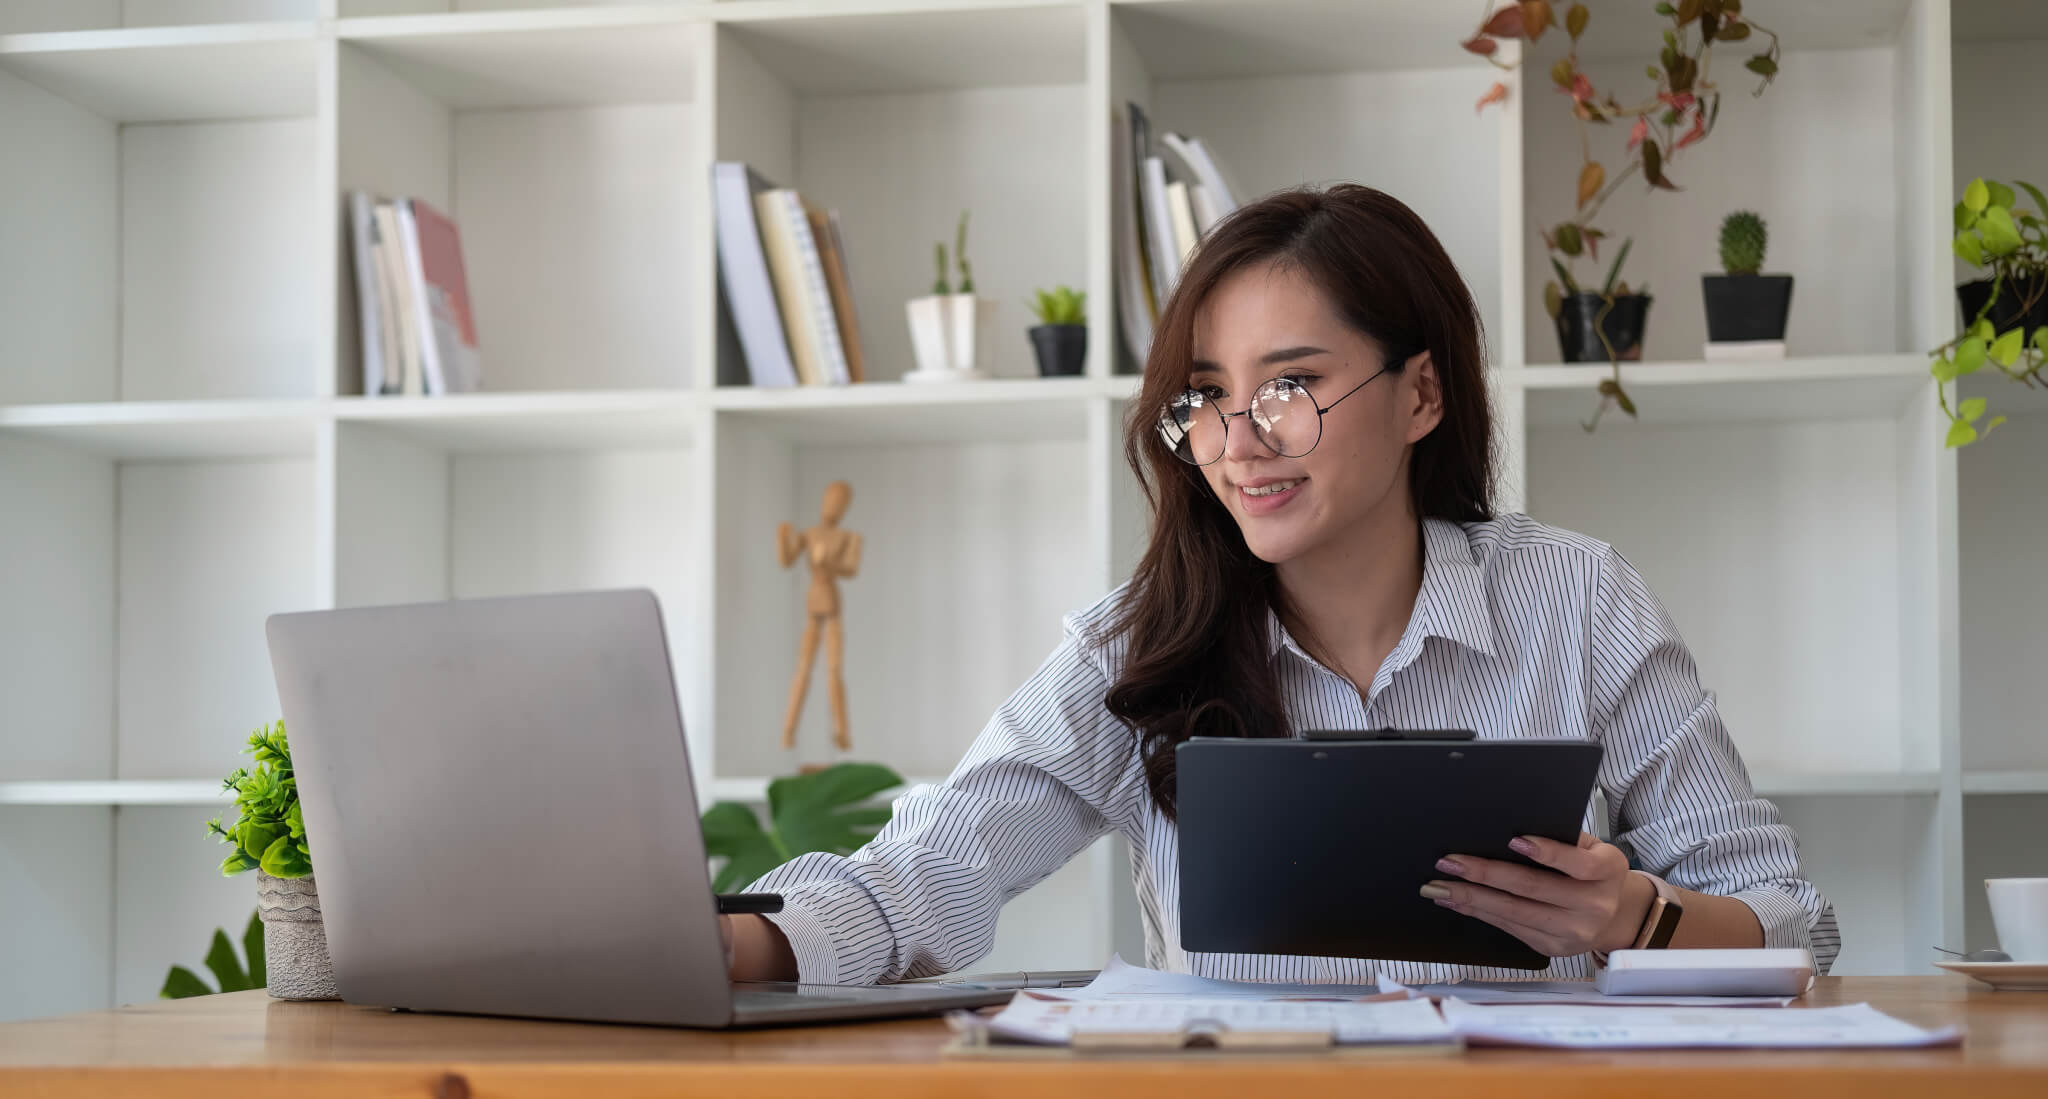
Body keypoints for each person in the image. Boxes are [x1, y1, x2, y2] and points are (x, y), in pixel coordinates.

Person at [721, 184, 1839, 986]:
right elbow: (928, 869)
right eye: (1207, 394)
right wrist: (728, 941)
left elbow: (1790, 920)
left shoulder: (1577, 601)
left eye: (1290, 384)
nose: (1237, 442)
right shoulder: (1137, 646)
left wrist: (1635, 916)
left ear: (1419, 397)